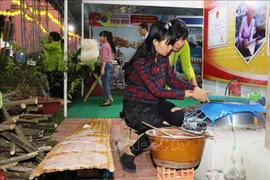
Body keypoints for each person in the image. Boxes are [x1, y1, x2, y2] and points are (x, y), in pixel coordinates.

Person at [120, 21, 210, 173]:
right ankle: (130, 153)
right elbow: (158, 90)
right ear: (155, 42)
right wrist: (190, 93)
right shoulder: (140, 63)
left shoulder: (162, 58)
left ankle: (151, 144)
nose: (171, 48)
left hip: (153, 103)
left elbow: (173, 81)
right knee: (163, 130)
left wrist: (195, 88)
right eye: (168, 44)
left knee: (178, 115)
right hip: (136, 107)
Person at [169, 19, 198, 87]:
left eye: (183, 39)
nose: (180, 44)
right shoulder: (161, 47)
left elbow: (187, 67)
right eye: (177, 39)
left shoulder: (185, 45)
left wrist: (194, 84)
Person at [43, 31, 63, 98]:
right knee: (54, 85)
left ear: (52, 38)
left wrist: (42, 43)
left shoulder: (55, 44)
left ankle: (56, 98)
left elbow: (46, 46)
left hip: (55, 68)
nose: (48, 39)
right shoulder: (55, 44)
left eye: (49, 37)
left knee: (55, 85)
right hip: (54, 67)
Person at [99, 31, 116, 106]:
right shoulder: (108, 45)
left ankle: (108, 100)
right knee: (106, 83)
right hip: (108, 65)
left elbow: (105, 58)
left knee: (105, 84)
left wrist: (102, 68)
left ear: (105, 37)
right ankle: (107, 98)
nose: (100, 37)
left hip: (106, 66)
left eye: (101, 36)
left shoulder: (105, 46)